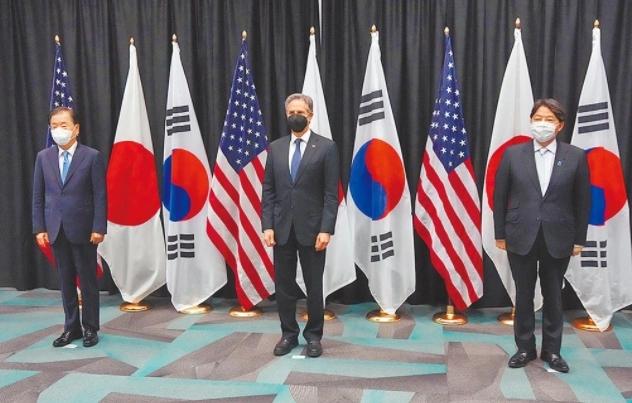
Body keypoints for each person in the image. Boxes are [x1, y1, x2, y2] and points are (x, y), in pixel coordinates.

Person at [494, 98, 590, 373]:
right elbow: (499, 196)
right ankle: (525, 348)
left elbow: (582, 201)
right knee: (523, 295)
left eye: (549, 119)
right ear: (531, 121)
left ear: (560, 125)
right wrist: (500, 233)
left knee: (553, 295)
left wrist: (579, 239)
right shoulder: (513, 154)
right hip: (520, 234)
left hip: (558, 236)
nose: (542, 124)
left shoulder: (576, 156)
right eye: (538, 118)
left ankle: (552, 351)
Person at [262, 93, 339, 358]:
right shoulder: (276, 148)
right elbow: (268, 190)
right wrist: (267, 225)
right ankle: (288, 334)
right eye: (291, 112)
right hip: (281, 229)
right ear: (286, 115)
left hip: (313, 230)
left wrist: (326, 228)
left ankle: (314, 336)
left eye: (301, 112)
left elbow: (331, 194)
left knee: (314, 286)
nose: (296, 116)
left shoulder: (326, 147)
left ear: (310, 115)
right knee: (283, 287)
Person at [32, 106, 107, 348]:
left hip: (84, 229)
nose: (58, 130)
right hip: (56, 228)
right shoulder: (43, 157)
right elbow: (38, 196)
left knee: (87, 281)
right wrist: (39, 228)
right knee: (65, 282)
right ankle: (71, 327)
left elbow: (100, 195)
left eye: (63, 125)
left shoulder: (92, 156)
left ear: (76, 129)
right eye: (54, 126)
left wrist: (99, 227)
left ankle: (90, 328)